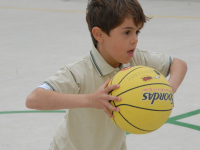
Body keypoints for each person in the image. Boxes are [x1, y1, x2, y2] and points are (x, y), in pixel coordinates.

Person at [26, 0, 187, 150]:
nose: (135, 40)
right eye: (127, 32)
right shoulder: (79, 71)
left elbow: (178, 64)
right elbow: (34, 99)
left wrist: (169, 88)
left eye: (137, 32)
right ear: (99, 35)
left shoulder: (136, 60)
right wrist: (90, 100)